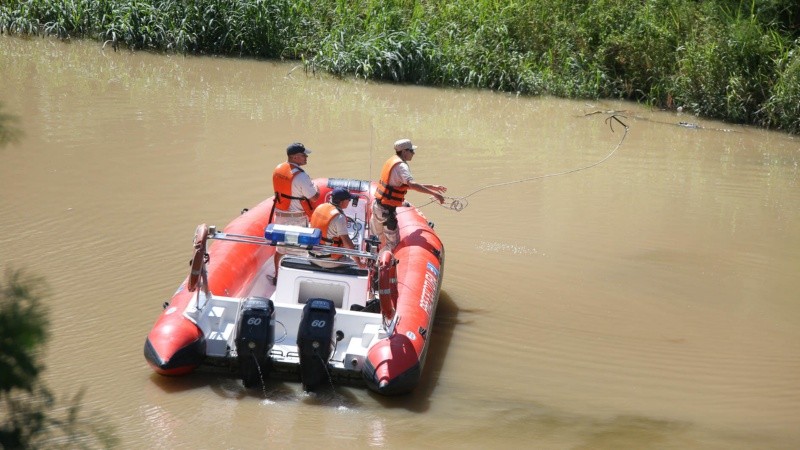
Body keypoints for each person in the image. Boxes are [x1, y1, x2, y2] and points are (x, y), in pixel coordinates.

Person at [370, 138, 447, 251]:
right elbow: (412, 185)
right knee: (392, 246)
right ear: (404, 151)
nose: (413, 153)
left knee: (376, 239)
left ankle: (373, 257)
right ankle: (381, 264)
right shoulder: (402, 167)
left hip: (377, 206)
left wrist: (431, 186)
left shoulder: (392, 161)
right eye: (411, 151)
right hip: (387, 211)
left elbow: (400, 186)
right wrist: (434, 194)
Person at [270, 142, 320, 282]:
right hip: (296, 218)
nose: (306, 157)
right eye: (304, 155)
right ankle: (296, 280)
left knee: (281, 249)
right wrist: (317, 188)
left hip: (280, 215)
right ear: (295, 157)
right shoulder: (301, 177)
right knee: (300, 251)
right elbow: (314, 197)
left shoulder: (278, 169)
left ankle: (277, 275)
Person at [309, 187, 366, 268]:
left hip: (312, 256)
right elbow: (347, 243)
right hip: (328, 260)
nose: (349, 201)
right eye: (348, 200)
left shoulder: (319, 207)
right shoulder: (339, 217)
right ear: (342, 202)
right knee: (358, 267)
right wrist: (359, 262)